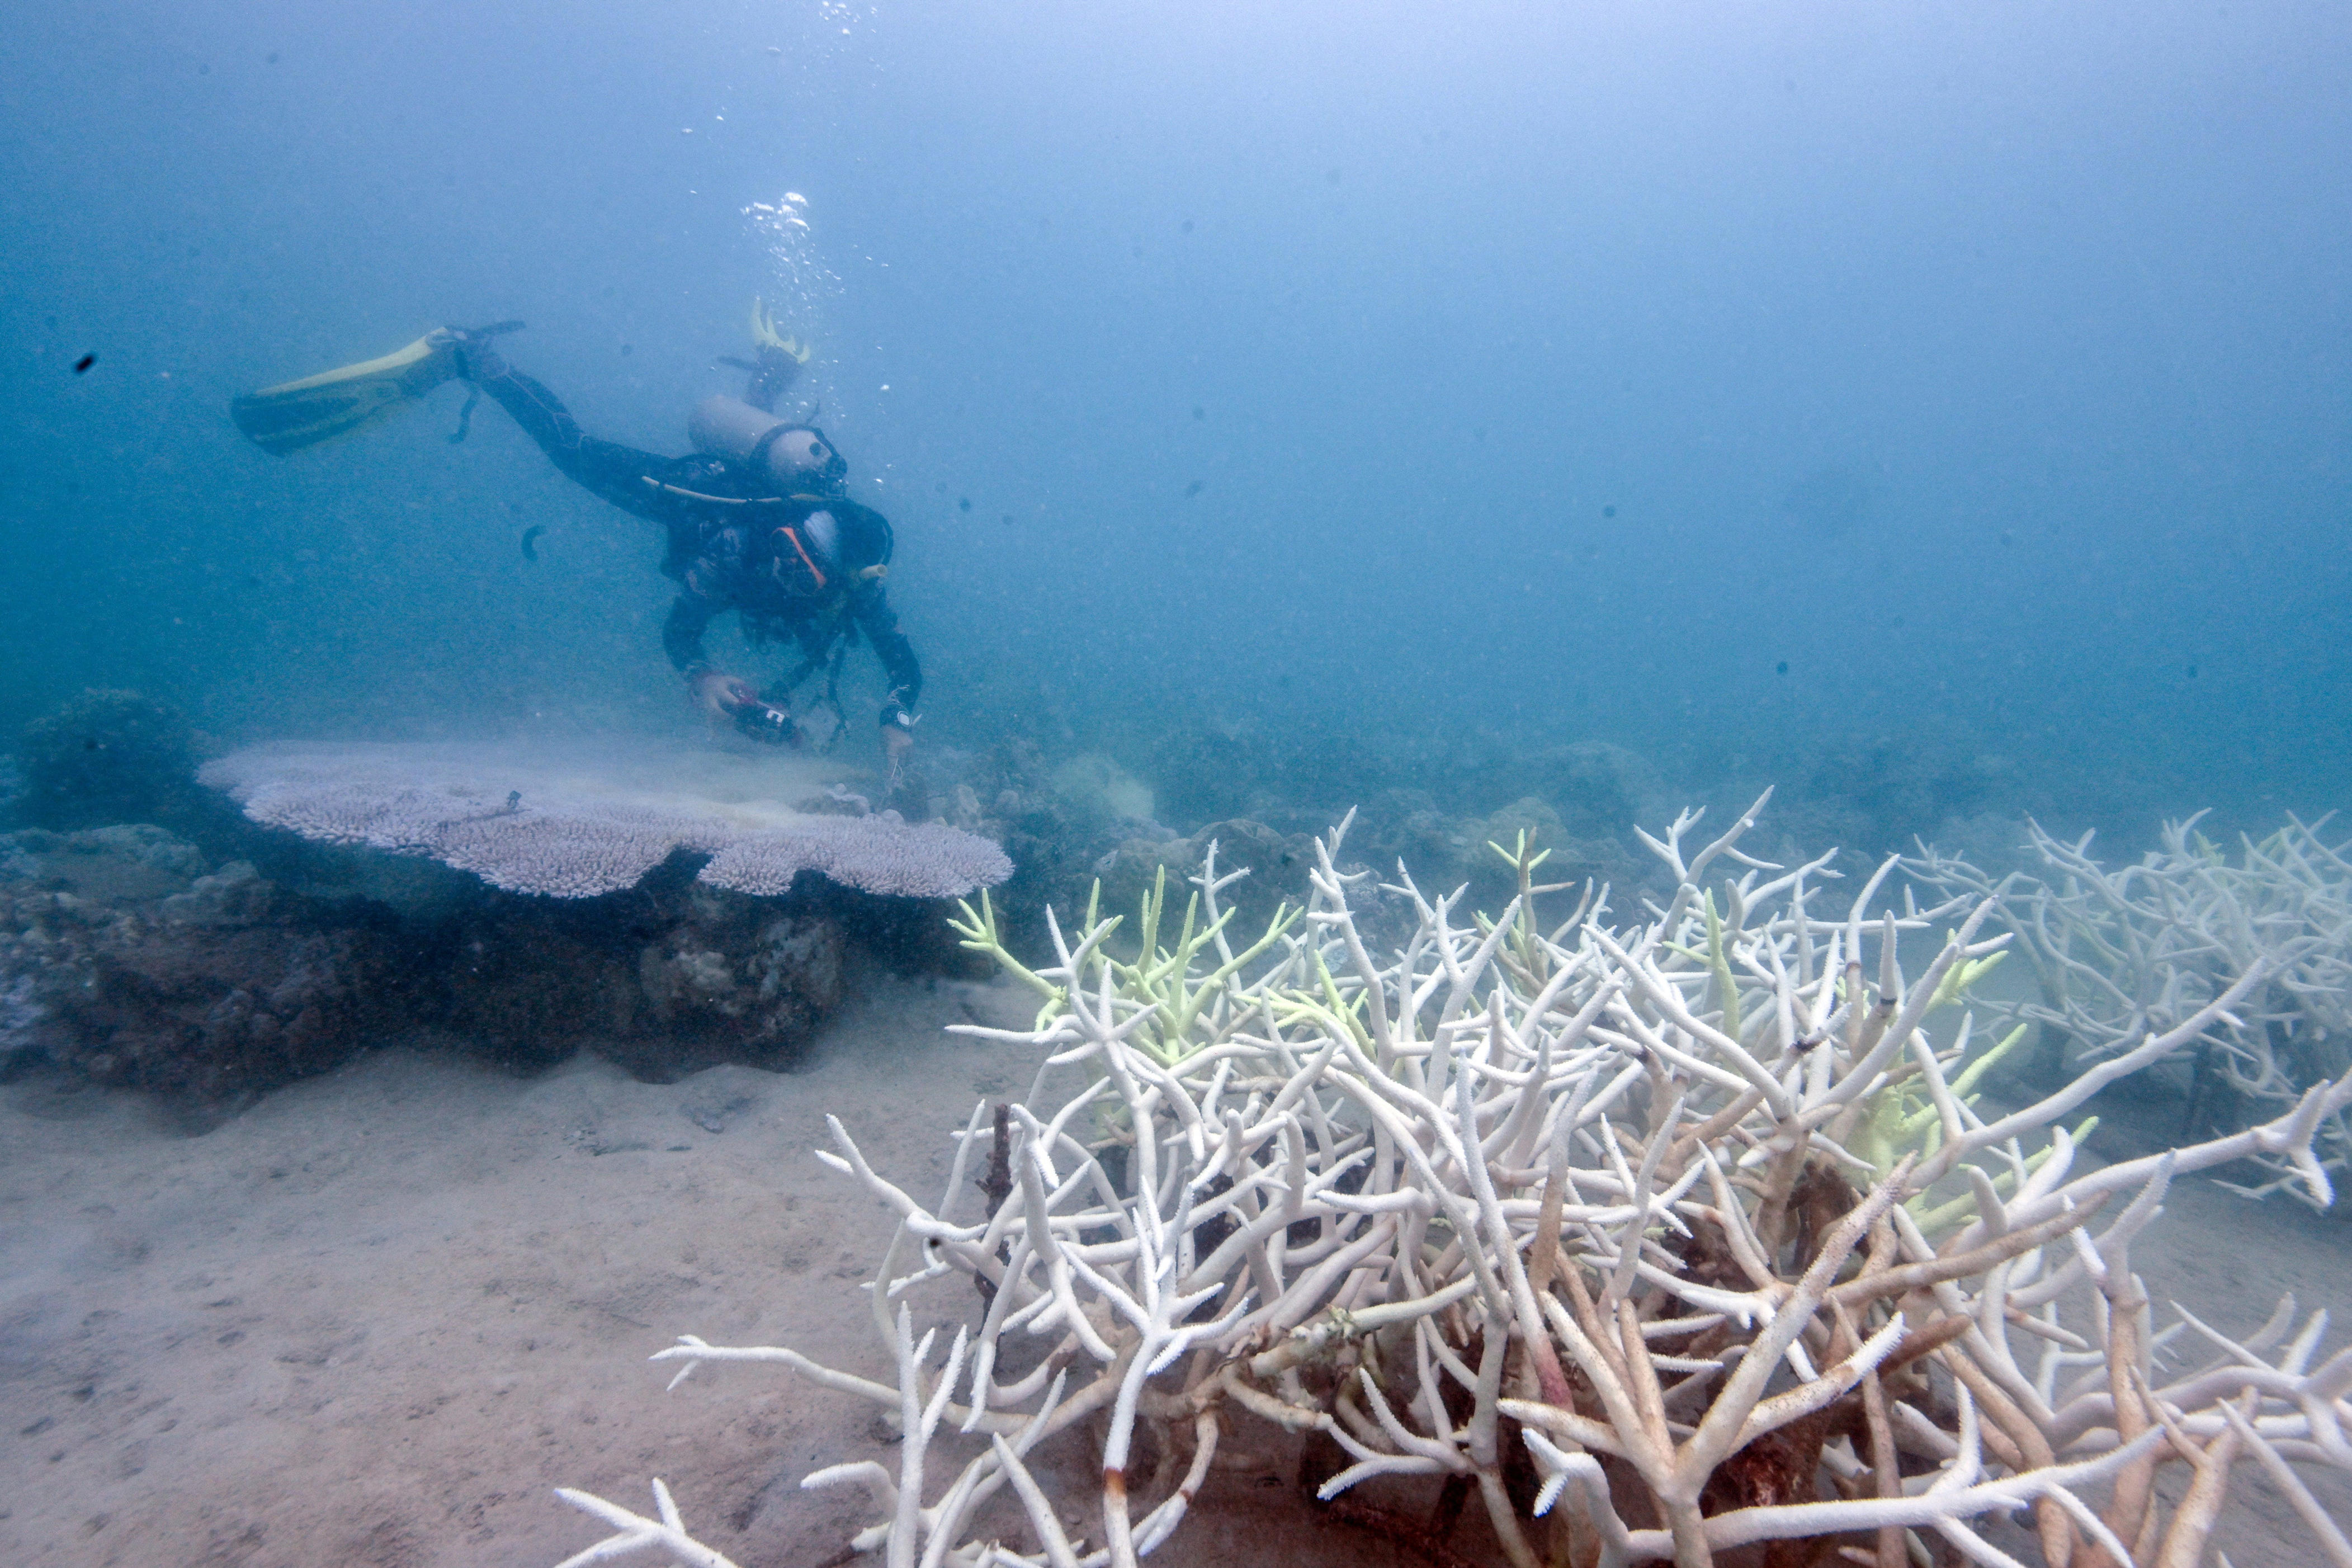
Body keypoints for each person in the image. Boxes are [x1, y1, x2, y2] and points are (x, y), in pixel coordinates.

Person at [230, 304, 922, 778]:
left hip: (757, 491)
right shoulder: (736, 550)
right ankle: (472, 357)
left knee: (747, 461)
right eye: (789, 564)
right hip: (694, 493)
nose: (791, 580)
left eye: (807, 578)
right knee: (573, 450)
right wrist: (700, 674)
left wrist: (896, 721)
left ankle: (770, 375)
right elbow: (682, 629)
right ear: (781, 541)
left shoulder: (859, 579)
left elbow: (903, 664)